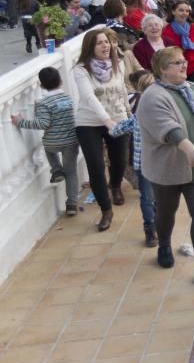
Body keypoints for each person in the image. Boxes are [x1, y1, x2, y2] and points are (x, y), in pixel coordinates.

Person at [138, 47, 194, 286]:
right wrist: (190, 149)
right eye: (176, 63)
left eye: (183, 61)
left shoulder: (192, 89)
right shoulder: (152, 96)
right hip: (168, 168)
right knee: (166, 211)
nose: (184, 65)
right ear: (162, 69)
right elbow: (169, 129)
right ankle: (164, 245)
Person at [73, 29, 130, 231]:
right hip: (89, 122)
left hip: (118, 118)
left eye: (106, 42)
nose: (105, 46)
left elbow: (122, 89)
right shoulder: (81, 69)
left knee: (120, 160)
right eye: (99, 43)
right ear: (90, 47)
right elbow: (89, 97)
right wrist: (106, 120)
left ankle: (115, 185)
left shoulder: (117, 63)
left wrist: (128, 114)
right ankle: (106, 210)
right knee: (96, 166)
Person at [11, 67, 79, 216]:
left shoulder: (43, 103)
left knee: (48, 149)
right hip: (71, 142)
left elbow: (42, 123)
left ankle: (56, 169)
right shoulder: (68, 99)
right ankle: (72, 204)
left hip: (53, 142)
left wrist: (21, 122)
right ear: (61, 82)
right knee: (72, 172)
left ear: (41, 86)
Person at [108, 70, 158, 247]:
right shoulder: (162, 111)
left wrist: (110, 123)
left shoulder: (137, 113)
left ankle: (150, 230)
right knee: (157, 196)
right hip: (159, 164)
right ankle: (157, 225)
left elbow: (116, 130)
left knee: (147, 197)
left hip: (142, 164)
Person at [162, 0, 194, 88]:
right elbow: (167, 52)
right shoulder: (167, 30)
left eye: (187, 11)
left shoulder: (193, 27)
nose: (184, 13)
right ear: (173, 12)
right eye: (181, 10)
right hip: (177, 68)